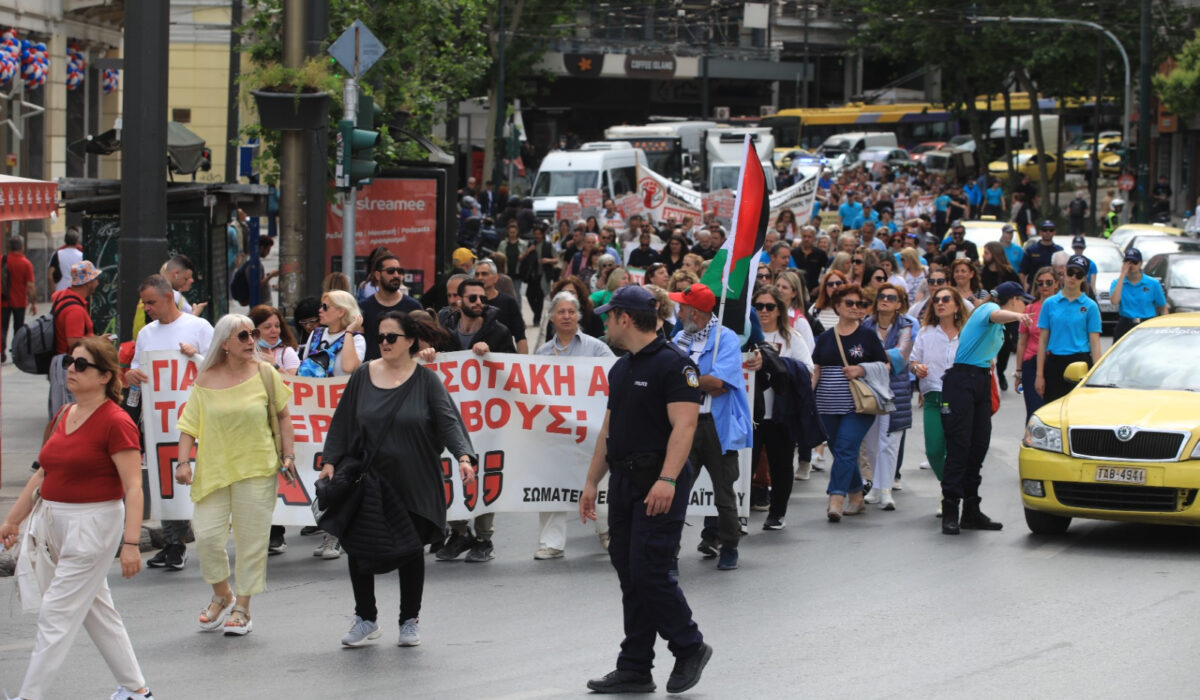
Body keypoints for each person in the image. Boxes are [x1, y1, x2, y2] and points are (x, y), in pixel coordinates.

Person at [1, 337, 152, 700]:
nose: (71, 368)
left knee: (56, 614)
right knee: (98, 611)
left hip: (94, 525)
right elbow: (42, 474)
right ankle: (137, 689)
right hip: (54, 521)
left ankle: (28, 696)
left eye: (82, 365)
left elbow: (134, 488)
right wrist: (12, 520)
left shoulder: (116, 422)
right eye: (70, 361)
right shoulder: (63, 414)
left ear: (105, 376)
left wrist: (130, 544)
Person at [579, 285, 712, 695]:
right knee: (629, 574)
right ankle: (635, 666)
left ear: (624, 317)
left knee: (651, 572)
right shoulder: (620, 368)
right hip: (623, 480)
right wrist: (591, 482)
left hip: (659, 479)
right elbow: (608, 430)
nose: (603, 322)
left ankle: (689, 646)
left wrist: (668, 479)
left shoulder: (675, 365)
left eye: (608, 315)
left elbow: (685, 426)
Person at [320, 311, 476, 648]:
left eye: (392, 337)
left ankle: (409, 619)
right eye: (381, 337)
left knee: (409, 548)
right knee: (359, 545)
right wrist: (330, 461)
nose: (385, 343)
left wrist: (463, 456)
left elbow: (449, 422)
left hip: (414, 480)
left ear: (410, 342)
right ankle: (365, 617)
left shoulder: (426, 380)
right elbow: (343, 421)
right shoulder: (362, 375)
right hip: (369, 479)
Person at [175, 314, 296, 637]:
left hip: (257, 467)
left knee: (251, 542)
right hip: (214, 470)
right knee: (208, 537)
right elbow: (189, 425)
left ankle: (242, 606)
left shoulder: (266, 374)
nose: (251, 341)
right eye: (243, 336)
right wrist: (182, 462)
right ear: (224, 343)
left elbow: (284, 417)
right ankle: (222, 594)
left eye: (253, 334)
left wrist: (288, 453)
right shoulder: (205, 379)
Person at [126, 275, 215, 571]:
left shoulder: (198, 327)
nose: (147, 308)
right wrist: (132, 377)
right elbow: (137, 368)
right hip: (159, 417)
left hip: (194, 415)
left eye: (150, 302)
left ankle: (197, 540)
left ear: (169, 298)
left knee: (194, 477)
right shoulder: (147, 334)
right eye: (144, 303)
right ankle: (173, 544)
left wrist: (196, 356)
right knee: (165, 478)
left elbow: (219, 365)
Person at [670, 283, 753, 571]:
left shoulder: (725, 339)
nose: (677, 313)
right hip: (685, 425)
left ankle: (729, 546)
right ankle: (670, 552)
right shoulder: (678, 337)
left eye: (682, 307)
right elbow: (674, 380)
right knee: (676, 491)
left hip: (716, 428)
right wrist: (698, 381)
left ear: (696, 313)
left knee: (723, 494)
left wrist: (685, 379)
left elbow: (719, 383)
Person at [939, 281, 1033, 535]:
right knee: (959, 447)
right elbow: (995, 313)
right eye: (1022, 300)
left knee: (978, 446)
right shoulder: (986, 309)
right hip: (961, 381)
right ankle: (950, 509)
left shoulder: (999, 328)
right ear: (1012, 299)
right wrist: (1017, 316)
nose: (1025, 305)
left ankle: (971, 510)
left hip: (980, 380)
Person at [435, 279, 515, 563]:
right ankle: (459, 533)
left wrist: (491, 354)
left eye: (482, 297)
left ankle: (484, 538)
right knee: (453, 472)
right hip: (454, 418)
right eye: (473, 298)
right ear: (459, 301)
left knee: (484, 475)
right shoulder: (444, 332)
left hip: (487, 420)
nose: (479, 302)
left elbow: (513, 369)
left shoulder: (499, 331)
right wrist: (427, 354)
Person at [532, 292, 615, 559]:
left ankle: (607, 533)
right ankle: (551, 543)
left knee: (600, 482)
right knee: (553, 481)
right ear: (552, 317)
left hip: (591, 429)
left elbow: (614, 374)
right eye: (561, 312)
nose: (567, 316)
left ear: (579, 315)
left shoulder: (597, 348)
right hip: (556, 432)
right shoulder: (543, 352)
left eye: (571, 311)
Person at [810, 284, 886, 521]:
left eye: (860, 304)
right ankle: (856, 496)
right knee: (842, 452)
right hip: (826, 405)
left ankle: (836, 498)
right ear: (838, 307)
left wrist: (861, 369)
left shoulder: (867, 336)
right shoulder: (824, 338)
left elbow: (885, 366)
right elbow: (816, 370)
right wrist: (807, 400)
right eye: (850, 303)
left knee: (844, 448)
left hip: (859, 405)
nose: (856, 308)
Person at [751, 285, 813, 528]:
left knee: (781, 465)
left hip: (780, 413)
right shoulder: (744, 337)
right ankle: (739, 512)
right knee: (746, 465)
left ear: (779, 310)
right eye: (758, 306)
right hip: (751, 414)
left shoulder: (791, 338)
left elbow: (807, 369)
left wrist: (776, 364)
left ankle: (777, 513)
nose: (763, 311)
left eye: (769, 306)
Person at [249, 304, 301, 554]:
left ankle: (276, 532)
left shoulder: (286, 353)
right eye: (267, 327)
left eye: (277, 326)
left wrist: (274, 367)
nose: (273, 331)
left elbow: (298, 383)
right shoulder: (246, 355)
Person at [861, 284, 914, 511]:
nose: (885, 300)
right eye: (881, 296)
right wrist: (878, 358)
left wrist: (874, 357)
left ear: (899, 303)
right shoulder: (866, 324)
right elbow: (860, 353)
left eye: (890, 297)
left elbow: (901, 357)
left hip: (896, 390)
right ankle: (875, 486)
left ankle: (886, 490)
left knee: (891, 442)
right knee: (872, 441)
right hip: (870, 388)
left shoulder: (906, 327)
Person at [910, 287, 967, 494]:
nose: (940, 303)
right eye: (936, 300)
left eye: (945, 299)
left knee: (957, 451)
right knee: (934, 450)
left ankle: (950, 497)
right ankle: (951, 487)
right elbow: (913, 361)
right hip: (933, 397)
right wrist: (917, 368)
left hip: (960, 398)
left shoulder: (967, 333)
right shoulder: (926, 332)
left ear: (957, 305)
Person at [1036, 255, 1102, 404]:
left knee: (1079, 409)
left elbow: (1095, 343)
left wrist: (1097, 374)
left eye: (1079, 275)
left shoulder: (1090, 306)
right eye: (1070, 272)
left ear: (1084, 278)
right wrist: (1039, 375)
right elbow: (1042, 342)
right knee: (1052, 408)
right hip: (1055, 361)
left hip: (1080, 361)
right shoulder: (1050, 304)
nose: (1073, 277)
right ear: (1064, 272)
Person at [359, 253, 423, 361]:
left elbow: (423, 343)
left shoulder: (414, 307)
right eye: (391, 271)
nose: (396, 275)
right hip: (372, 372)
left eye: (400, 271)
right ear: (378, 275)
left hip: (404, 371)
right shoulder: (363, 308)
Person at [1015, 266, 1058, 419]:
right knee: (1034, 411)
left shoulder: (1061, 306)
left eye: (1048, 282)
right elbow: (1022, 342)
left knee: (1053, 411)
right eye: (1040, 283)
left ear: (1057, 284)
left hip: (1054, 361)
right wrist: (1018, 371)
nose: (1044, 286)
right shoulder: (1030, 308)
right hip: (1031, 363)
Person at [1109, 247, 1166, 341]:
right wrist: (1122, 275)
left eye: (1134, 263)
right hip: (1126, 323)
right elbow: (1114, 301)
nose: (1131, 266)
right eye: (1128, 262)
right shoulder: (1117, 283)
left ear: (1140, 263)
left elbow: (1163, 306)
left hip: (1146, 322)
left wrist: (1163, 327)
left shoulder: (1153, 283)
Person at [474, 259, 528, 354]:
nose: (480, 277)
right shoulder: (471, 304)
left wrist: (523, 364)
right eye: (477, 274)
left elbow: (520, 337)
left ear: (495, 278)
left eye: (484, 274)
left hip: (503, 360)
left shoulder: (508, 302)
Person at [2, 235, 36, 363]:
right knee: (19, 328)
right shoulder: (25, 263)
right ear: (22, 247)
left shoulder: (2, 260)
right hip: (19, 301)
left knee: (2, 327)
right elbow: (30, 286)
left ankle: (1, 352)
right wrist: (34, 303)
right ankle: (16, 352)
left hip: (3, 301)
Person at [1019, 220, 1063, 290]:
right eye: (1045, 230)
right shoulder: (1031, 250)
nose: (1048, 232)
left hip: (1054, 290)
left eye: (1051, 230)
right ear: (1040, 232)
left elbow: (1063, 272)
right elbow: (1022, 272)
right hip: (1034, 289)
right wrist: (1022, 288)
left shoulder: (1059, 251)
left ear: (1054, 232)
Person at [791, 225, 829, 295]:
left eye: (809, 237)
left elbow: (826, 272)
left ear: (814, 238)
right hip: (796, 290)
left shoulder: (821, 254)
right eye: (804, 236)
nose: (806, 239)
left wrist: (819, 287)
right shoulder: (793, 253)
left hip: (814, 291)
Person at [808, 269, 849, 335]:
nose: (834, 287)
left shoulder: (852, 307)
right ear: (825, 288)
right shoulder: (815, 309)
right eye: (830, 284)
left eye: (838, 283)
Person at [47, 226, 83, 295]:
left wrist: (53, 292)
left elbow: (50, 276)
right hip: (77, 293)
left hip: (60, 291)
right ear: (77, 241)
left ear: (65, 240)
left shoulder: (57, 254)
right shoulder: (82, 256)